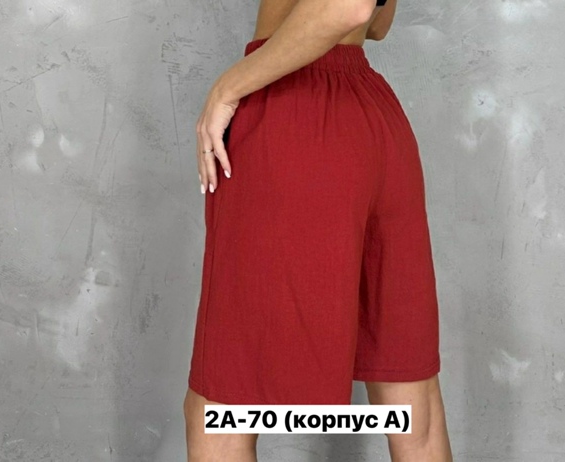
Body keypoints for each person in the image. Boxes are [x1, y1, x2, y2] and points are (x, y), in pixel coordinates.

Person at [183, 0, 453, 460]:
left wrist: (229, 87)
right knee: (412, 407)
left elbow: (350, 6)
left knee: (219, 410)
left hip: (296, 117)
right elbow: (378, 23)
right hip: (374, 122)